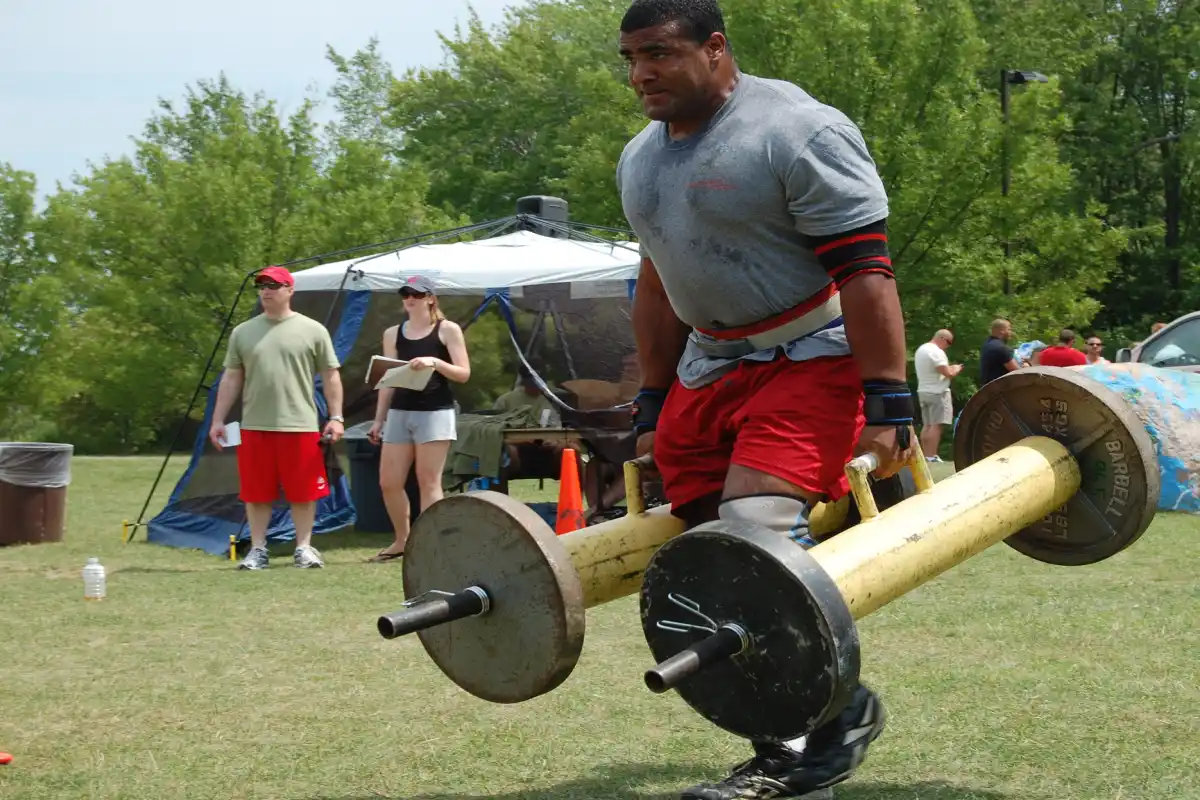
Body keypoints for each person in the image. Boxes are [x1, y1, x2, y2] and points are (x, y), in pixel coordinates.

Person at [615, 1, 914, 797]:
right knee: (708, 555)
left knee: (753, 533)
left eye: (659, 54)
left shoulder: (798, 130)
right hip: (710, 366)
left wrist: (889, 403)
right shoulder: (638, 158)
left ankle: (796, 743)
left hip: (813, 358)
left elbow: (866, 273)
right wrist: (651, 398)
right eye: (631, 58)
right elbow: (657, 282)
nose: (641, 72)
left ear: (716, 49)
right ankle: (821, 714)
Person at [210, 266, 345, 570]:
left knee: (304, 491)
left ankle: (304, 547)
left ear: (289, 290)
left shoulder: (313, 330)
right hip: (255, 426)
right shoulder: (243, 332)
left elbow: (331, 375)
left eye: (273, 285)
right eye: (262, 286)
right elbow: (231, 378)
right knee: (256, 493)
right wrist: (217, 420)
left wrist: (336, 417)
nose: (266, 290)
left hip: (300, 425)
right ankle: (258, 549)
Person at [366, 275, 471, 562]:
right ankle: (403, 541)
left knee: (428, 482)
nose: (409, 298)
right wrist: (378, 420)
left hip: (435, 412)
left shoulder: (447, 329)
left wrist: (435, 362)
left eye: (416, 293)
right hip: (400, 412)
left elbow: (464, 373)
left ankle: (432, 544)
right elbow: (388, 379)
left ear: (430, 298)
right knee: (389, 481)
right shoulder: (392, 333)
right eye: (405, 293)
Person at [913, 329, 961, 462]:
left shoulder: (921, 349)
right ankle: (931, 456)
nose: (948, 346)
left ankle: (925, 455)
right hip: (937, 392)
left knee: (927, 425)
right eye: (949, 342)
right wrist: (956, 368)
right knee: (937, 425)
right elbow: (947, 373)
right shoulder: (936, 352)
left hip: (923, 390)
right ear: (942, 338)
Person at [980, 319, 1022, 385]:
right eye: (1009, 329)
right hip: (1001, 390)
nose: (1011, 332)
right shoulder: (1002, 348)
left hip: (987, 389)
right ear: (1001, 331)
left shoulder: (987, 344)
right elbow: (1018, 373)